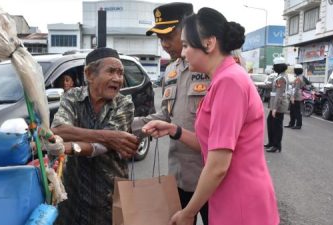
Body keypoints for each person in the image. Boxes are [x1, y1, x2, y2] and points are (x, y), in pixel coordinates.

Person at [142, 7, 279, 225]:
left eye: (187, 45)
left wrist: (188, 213)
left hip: (239, 199)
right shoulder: (222, 79)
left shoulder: (229, 82)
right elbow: (211, 143)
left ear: (208, 43)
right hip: (225, 194)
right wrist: (173, 130)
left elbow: (217, 165)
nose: (183, 53)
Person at [132, 3, 210, 224]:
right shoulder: (171, 70)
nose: (164, 44)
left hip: (212, 176)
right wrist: (129, 126)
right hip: (179, 175)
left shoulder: (214, 65)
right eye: (160, 38)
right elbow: (167, 116)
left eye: (169, 36)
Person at [50, 47, 139, 225]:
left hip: (107, 196)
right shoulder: (72, 97)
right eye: (111, 71)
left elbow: (101, 148)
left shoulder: (124, 104)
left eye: (120, 73)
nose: (118, 79)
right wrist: (109, 136)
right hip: (72, 194)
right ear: (90, 74)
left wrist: (69, 146)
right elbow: (59, 128)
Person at [265, 57, 290, 153]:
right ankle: (271, 143)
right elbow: (270, 86)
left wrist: (275, 108)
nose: (273, 67)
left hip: (278, 105)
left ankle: (276, 145)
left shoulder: (282, 78)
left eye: (274, 66)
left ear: (278, 67)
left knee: (277, 126)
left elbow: (279, 94)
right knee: (270, 124)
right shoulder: (278, 76)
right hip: (274, 105)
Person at [285, 64, 306, 129]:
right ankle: (292, 123)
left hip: (296, 97)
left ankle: (298, 125)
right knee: (292, 111)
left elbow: (296, 89)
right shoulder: (300, 77)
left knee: (296, 111)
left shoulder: (298, 78)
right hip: (297, 96)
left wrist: (293, 97)